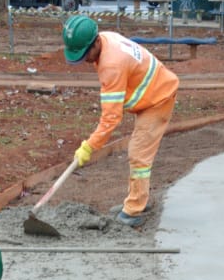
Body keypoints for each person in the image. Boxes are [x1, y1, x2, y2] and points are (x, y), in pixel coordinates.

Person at [61, 14, 179, 228]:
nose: (85, 59)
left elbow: (111, 119)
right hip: (152, 93)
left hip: (158, 98)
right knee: (138, 153)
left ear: (96, 42)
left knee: (138, 154)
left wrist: (89, 147)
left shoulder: (111, 64)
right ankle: (136, 200)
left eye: (85, 54)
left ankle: (133, 211)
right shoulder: (105, 39)